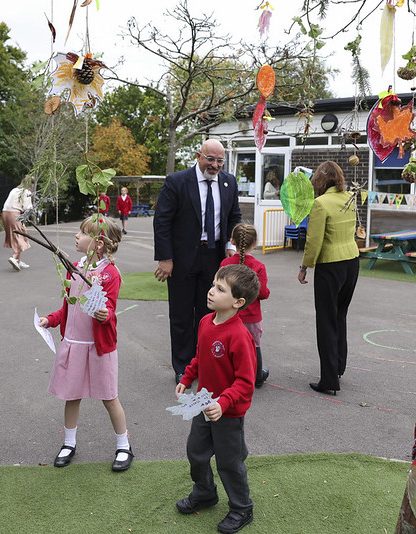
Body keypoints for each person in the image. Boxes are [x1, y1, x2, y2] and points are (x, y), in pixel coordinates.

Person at [38, 216, 133, 472]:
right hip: (74, 344)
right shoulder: (74, 267)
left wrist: (105, 314)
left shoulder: (109, 273)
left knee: (109, 396)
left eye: (82, 233)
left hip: (98, 347)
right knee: (72, 395)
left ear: (98, 244)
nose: (76, 237)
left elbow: (109, 309)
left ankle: (124, 445)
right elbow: (68, 307)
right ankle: (69, 443)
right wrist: (51, 319)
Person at [175, 264, 259, 534]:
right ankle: (205, 492)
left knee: (229, 463)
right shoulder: (205, 322)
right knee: (196, 453)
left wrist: (223, 404)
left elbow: (246, 382)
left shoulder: (239, 335)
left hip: (228, 414)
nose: (211, 291)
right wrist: (187, 378)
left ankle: (242, 508)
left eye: (220, 289)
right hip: (203, 405)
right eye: (213, 285)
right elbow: (200, 357)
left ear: (238, 302)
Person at [154, 139, 242, 384]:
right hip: (182, 259)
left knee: (210, 313)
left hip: (214, 258)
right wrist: (166, 258)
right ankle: (183, 366)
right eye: (210, 159)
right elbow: (162, 222)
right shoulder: (177, 182)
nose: (215, 165)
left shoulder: (229, 182)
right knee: (181, 313)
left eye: (220, 161)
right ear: (198, 156)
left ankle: (205, 362)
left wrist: (231, 246)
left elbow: (235, 216)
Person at [297, 160, 360, 396]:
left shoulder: (320, 204)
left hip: (331, 264)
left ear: (320, 180)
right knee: (340, 316)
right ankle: (339, 367)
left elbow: (314, 241)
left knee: (325, 320)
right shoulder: (350, 198)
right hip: (352, 261)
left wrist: (304, 266)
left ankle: (329, 379)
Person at [220, 223, 270, 388]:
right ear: (254, 243)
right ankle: (257, 377)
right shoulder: (258, 267)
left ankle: (229, 376)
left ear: (232, 241)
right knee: (254, 346)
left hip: (229, 315)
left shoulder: (226, 264)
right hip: (251, 317)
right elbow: (263, 293)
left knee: (229, 347)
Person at [2, 175, 34, 271]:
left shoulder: (14, 190)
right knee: (20, 235)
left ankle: (18, 261)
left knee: (14, 236)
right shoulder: (27, 192)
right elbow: (27, 208)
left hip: (5, 213)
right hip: (14, 214)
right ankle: (14, 257)